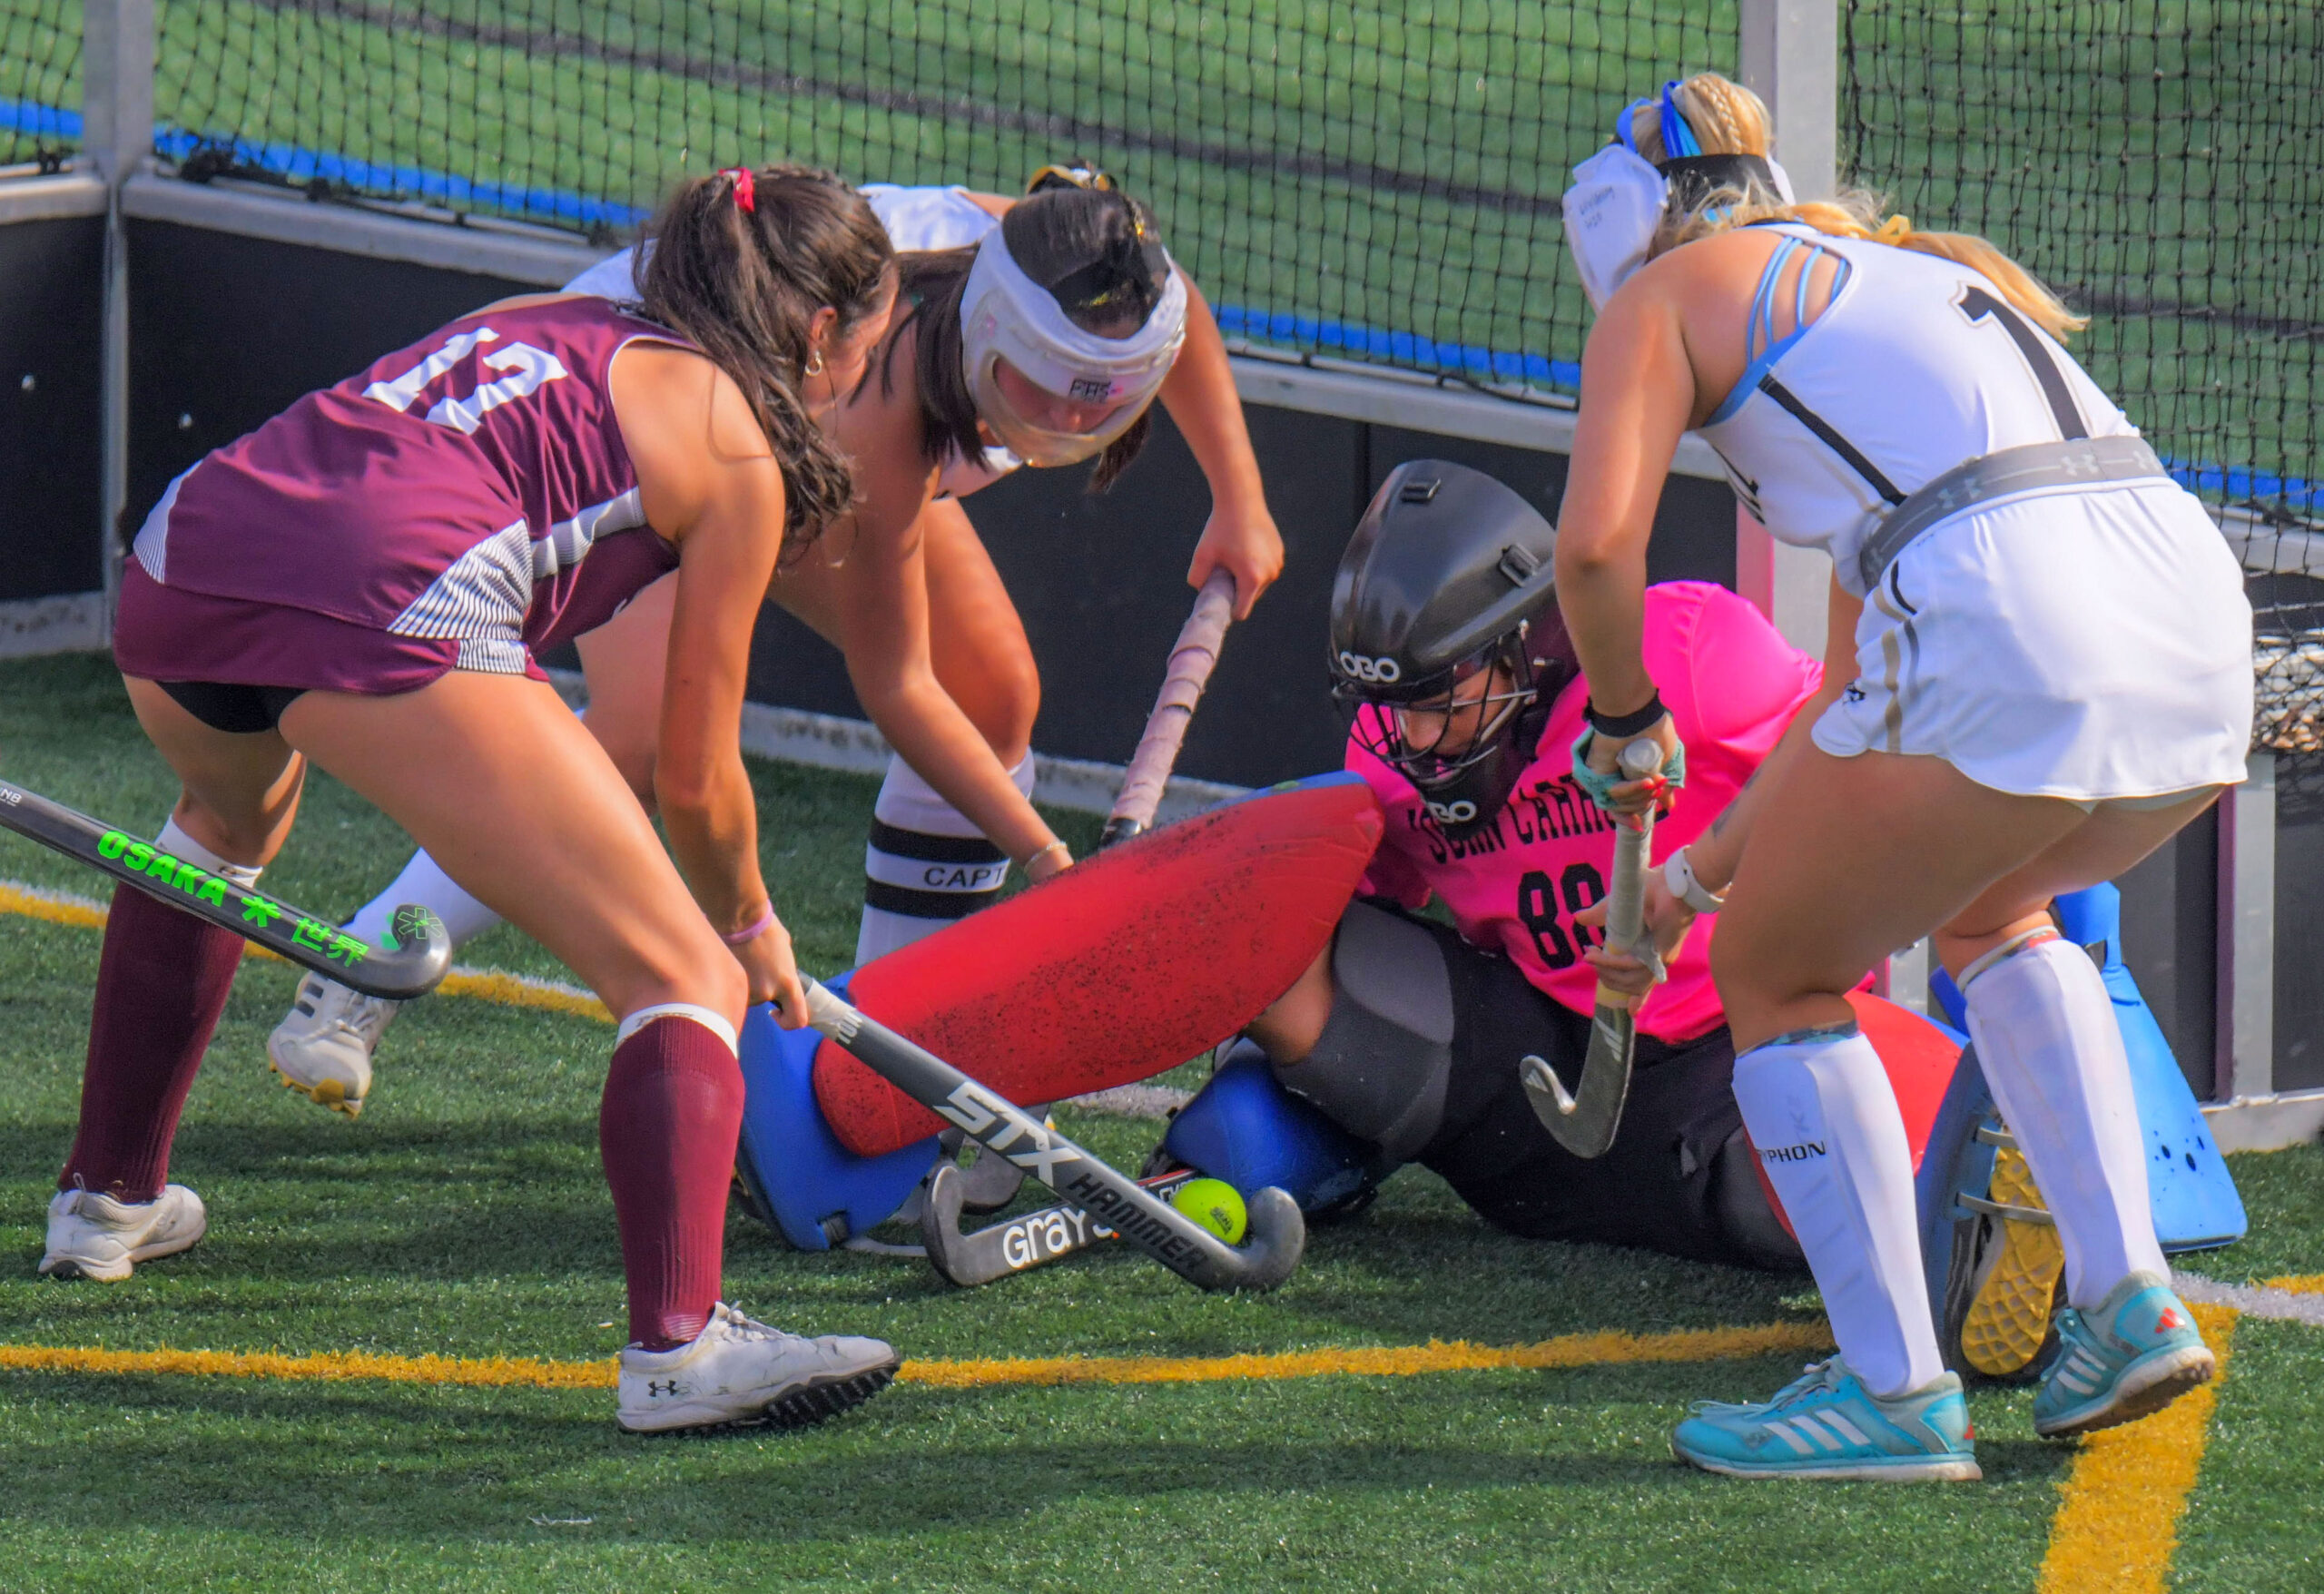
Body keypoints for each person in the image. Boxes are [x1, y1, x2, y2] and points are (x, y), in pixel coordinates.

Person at [40, 165, 911, 1435]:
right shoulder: (738, 450)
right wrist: (745, 926)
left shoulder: (547, 322)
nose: (861, 385)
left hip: (183, 564)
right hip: (380, 602)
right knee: (679, 973)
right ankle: (681, 1350)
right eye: (871, 353)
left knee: (224, 828)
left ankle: (107, 1201)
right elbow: (698, 772)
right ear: (821, 333)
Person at [1551, 74, 2251, 1481]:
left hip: (2010, 610)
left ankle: (1893, 1396)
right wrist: (1689, 881)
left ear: (1621, 236)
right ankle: (2126, 1302)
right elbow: (1847, 717)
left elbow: (1591, 553)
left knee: (1778, 977)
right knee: (1990, 909)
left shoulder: (1662, 300)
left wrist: (1625, 719)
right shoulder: (1888, 283)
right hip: (2189, 614)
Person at [267, 166, 1285, 1118]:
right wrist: (1050, 860)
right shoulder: (889, 394)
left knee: (992, 697)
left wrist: (1239, 500)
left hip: (804, 430)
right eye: (1043, 384)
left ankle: (886, 1046)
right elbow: (895, 686)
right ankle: (367, 956)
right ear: (985, 327)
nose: (1067, 417)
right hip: (653, 424)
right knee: (631, 734)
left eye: (1099, 395)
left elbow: (1174, 313)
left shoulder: (1087, 272)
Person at [1159, 458, 1952, 1274]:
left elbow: (1850, 747)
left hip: (1735, 1053)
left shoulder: (1685, 650)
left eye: (1441, 701)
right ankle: (1274, 1143)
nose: (1416, 741)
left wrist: (1715, 883)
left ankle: (1975, 1192)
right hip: (1533, 1088)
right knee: (1271, 938)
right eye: (1396, 708)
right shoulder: (1388, 752)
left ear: (1526, 645)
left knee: (1834, 1188)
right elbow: (1334, 928)